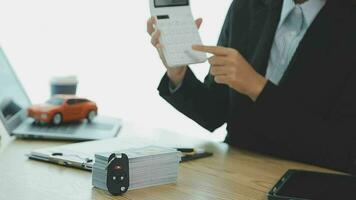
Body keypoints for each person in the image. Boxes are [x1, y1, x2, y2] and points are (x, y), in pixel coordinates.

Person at [147, 0, 356, 174]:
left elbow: (343, 149)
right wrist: (178, 73)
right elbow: (214, 112)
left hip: (311, 180)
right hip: (236, 172)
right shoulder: (246, 6)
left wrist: (257, 87)